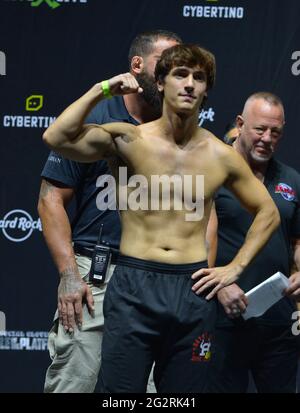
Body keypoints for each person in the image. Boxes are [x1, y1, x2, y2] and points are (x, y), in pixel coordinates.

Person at [42, 44, 280, 393]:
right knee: (118, 396)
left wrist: (235, 268)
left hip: (191, 288)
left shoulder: (221, 154)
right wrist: (103, 89)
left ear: (206, 90)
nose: (189, 84)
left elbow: (268, 212)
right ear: (161, 82)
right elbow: (56, 137)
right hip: (134, 283)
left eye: (198, 78)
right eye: (180, 74)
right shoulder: (128, 139)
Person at [38, 29, 182, 393]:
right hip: (96, 279)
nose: (171, 76)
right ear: (137, 66)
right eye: (163, 66)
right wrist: (69, 274)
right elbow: (50, 199)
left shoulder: (179, 129)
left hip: (154, 279)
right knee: (77, 382)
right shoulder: (97, 119)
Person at [206, 92, 300, 393]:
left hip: (278, 320)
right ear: (240, 123)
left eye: (276, 132)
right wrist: (219, 285)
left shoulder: (291, 180)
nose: (267, 138)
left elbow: (297, 240)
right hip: (222, 318)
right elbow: (189, 241)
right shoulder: (211, 172)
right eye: (260, 129)